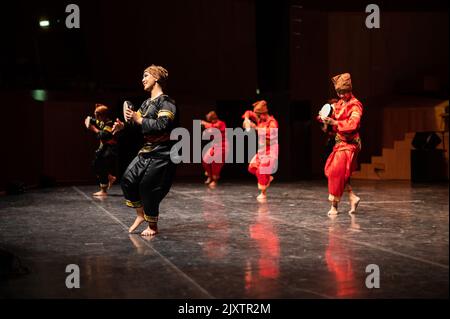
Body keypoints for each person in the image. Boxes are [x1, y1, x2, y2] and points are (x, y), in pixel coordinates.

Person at [112, 65, 178, 236]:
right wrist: (122, 126)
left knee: (148, 187)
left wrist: (138, 119)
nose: (142, 79)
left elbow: (163, 125)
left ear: (156, 78)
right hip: (147, 149)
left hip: (163, 151)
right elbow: (135, 122)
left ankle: (153, 226)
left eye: (146, 75)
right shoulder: (147, 103)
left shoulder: (167, 102)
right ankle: (141, 215)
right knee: (127, 179)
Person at [320, 73, 362, 215]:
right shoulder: (339, 104)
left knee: (335, 171)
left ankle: (334, 206)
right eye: (339, 92)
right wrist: (324, 116)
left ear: (350, 90)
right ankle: (352, 197)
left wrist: (335, 123)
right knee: (336, 172)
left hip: (350, 144)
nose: (341, 95)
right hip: (340, 143)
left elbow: (353, 124)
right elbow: (326, 115)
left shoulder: (355, 105)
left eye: (344, 92)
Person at [242, 100, 279, 201]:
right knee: (251, 168)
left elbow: (271, 133)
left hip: (271, 149)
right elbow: (249, 113)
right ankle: (267, 178)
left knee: (262, 169)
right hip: (262, 149)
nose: (257, 117)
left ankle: (263, 193)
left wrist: (255, 127)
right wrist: (246, 119)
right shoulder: (260, 120)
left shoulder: (272, 122)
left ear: (263, 114)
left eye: (258, 115)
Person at [84, 104, 117, 197]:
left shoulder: (109, 123)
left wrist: (93, 128)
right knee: (95, 165)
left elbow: (103, 135)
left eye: (96, 114)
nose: (95, 116)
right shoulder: (100, 121)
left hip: (110, 148)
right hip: (104, 147)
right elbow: (90, 119)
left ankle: (103, 190)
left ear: (102, 115)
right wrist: (88, 120)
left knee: (101, 167)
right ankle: (110, 177)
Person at [201, 111, 228, 188]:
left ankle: (214, 180)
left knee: (215, 163)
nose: (211, 121)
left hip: (223, 146)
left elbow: (215, 127)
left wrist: (206, 124)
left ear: (214, 118)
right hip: (215, 145)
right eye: (210, 121)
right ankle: (210, 176)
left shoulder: (221, 123)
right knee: (205, 160)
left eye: (211, 120)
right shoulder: (212, 125)